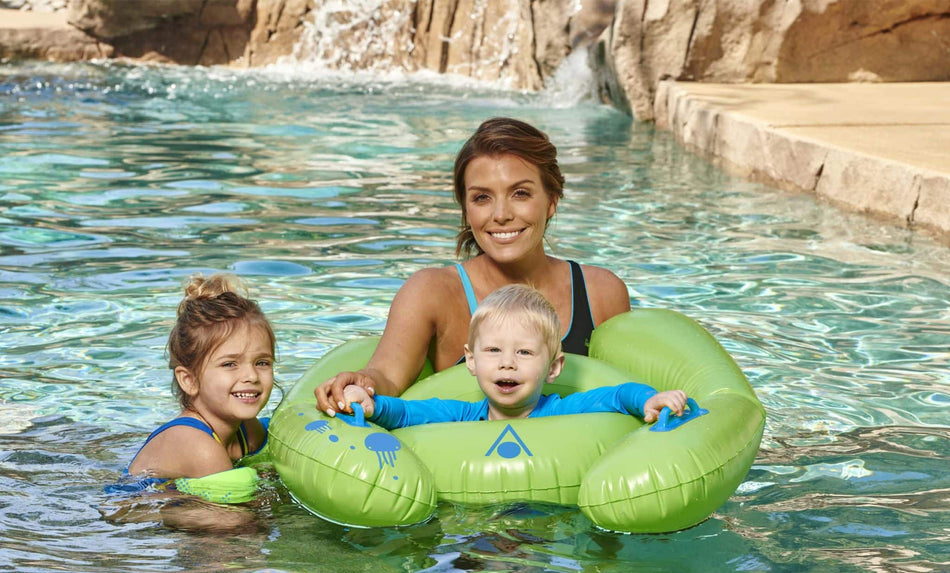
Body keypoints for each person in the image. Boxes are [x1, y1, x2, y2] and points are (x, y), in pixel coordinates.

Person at [316, 117, 631, 416]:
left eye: (520, 193)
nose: (501, 215)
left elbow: (627, 390)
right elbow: (386, 376)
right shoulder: (433, 292)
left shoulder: (599, 292)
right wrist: (361, 383)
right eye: (482, 198)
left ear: (551, 200)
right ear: (466, 210)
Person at [340, 284, 687, 427]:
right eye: (492, 351)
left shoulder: (564, 411)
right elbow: (407, 413)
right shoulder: (461, 416)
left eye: (524, 352)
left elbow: (616, 395)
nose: (507, 362)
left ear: (554, 367)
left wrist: (649, 400)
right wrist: (369, 404)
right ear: (471, 361)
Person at [118, 273, 274, 487]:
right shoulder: (199, 447)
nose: (251, 376)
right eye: (229, 364)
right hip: (137, 509)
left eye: (262, 362)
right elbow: (237, 519)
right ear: (189, 380)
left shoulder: (246, 430)